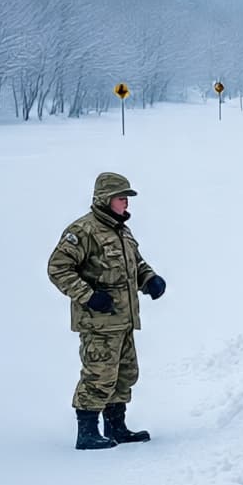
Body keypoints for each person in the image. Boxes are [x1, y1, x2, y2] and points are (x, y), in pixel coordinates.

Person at [48, 171, 166, 450]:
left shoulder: (122, 231)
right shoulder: (82, 231)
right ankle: (87, 432)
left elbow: (136, 265)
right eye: (121, 198)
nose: (126, 203)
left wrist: (149, 280)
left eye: (126, 198)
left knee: (125, 373)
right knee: (98, 374)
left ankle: (117, 427)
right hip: (98, 323)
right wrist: (89, 296)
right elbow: (58, 268)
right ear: (105, 199)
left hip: (124, 320)